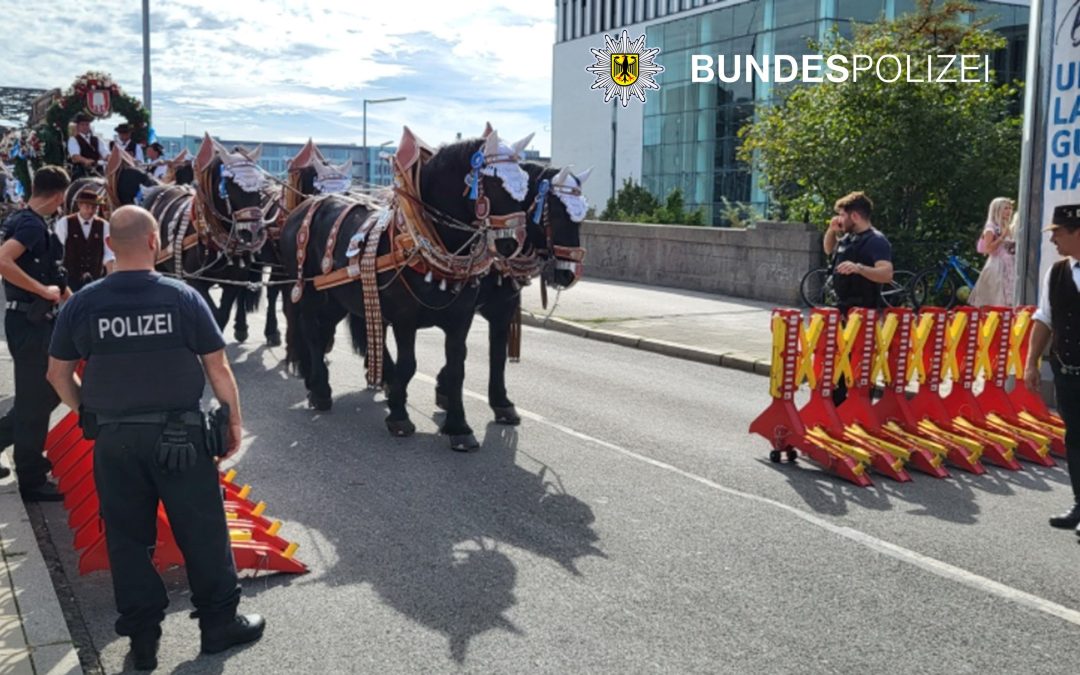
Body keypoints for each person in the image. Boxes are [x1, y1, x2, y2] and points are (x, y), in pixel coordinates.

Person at [45, 205, 264, 670]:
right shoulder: (182, 297)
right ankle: (218, 625)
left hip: (115, 442)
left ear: (109, 244)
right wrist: (233, 424)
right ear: (154, 241)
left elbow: (56, 374)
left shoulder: (84, 302)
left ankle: (143, 641)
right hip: (181, 441)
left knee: (127, 538)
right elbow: (218, 367)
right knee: (202, 531)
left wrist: (90, 412)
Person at [0, 166, 70, 499]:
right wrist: (42, 291)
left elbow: (56, 276)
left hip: (31, 322)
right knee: (37, 400)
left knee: (45, 394)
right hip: (30, 323)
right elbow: (3, 260)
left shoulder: (23, 218)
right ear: (59, 196)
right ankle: (32, 478)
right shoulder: (29, 224)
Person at [1026, 204, 1080, 531]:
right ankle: (1079, 503)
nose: (1053, 239)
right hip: (1068, 370)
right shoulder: (1056, 272)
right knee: (1075, 438)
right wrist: (1032, 362)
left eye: (1058, 233)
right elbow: (1044, 318)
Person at [822, 191, 894, 405]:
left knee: (857, 366)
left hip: (863, 313)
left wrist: (859, 268)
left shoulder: (876, 241)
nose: (838, 219)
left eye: (842, 215)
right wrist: (831, 230)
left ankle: (857, 410)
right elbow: (829, 249)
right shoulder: (848, 238)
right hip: (842, 310)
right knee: (837, 366)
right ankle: (836, 409)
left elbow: (887, 273)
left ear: (855, 216)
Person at [54, 188, 114, 291]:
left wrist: (111, 281)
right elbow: (57, 253)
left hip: (96, 281)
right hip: (70, 282)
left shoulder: (104, 226)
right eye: (87, 207)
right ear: (79, 206)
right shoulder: (65, 223)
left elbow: (109, 255)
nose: (90, 210)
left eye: (94, 207)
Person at [968, 197, 1017, 307]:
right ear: (997, 210)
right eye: (1006, 208)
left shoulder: (1006, 226)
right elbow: (988, 249)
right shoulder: (991, 228)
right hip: (997, 267)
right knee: (996, 300)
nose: (1009, 211)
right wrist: (1002, 237)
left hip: (1010, 266)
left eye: (1010, 208)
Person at [67, 113, 108, 179]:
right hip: (81, 172)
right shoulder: (73, 139)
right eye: (82, 124)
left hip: (97, 171)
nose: (85, 127)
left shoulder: (97, 139)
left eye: (87, 124)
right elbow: (75, 157)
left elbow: (105, 153)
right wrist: (86, 160)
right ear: (78, 126)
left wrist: (110, 158)